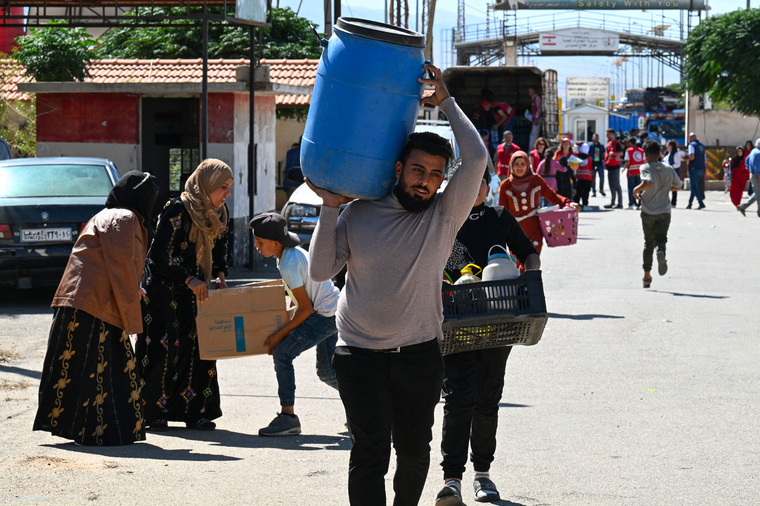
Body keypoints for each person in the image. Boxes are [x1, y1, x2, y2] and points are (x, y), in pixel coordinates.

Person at [307, 63, 488, 506]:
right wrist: (329, 207)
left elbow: (478, 158)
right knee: (369, 453)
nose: (425, 181)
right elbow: (318, 270)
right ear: (399, 168)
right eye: (418, 170)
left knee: (413, 453)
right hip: (358, 355)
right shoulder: (359, 212)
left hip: (419, 354)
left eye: (434, 175)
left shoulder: (444, 215)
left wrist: (444, 100)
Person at [33, 171, 160, 446]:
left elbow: (111, 263)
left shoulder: (113, 216)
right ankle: (102, 432)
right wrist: (134, 322)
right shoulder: (123, 218)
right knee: (100, 371)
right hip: (94, 306)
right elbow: (121, 265)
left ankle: (90, 430)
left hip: (88, 303)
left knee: (88, 369)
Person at [437, 169, 540, 505]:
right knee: (457, 400)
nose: (474, 188)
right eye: (466, 181)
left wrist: (531, 281)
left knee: (486, 400)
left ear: (487, 185)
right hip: (456, 322)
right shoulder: (441, 217)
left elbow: (528, 253)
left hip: (499, 324)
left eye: (480, 181)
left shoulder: (498, 217)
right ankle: (452, 479)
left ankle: (483, 474)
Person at [136, 159, 233, 432]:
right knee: (164, 352)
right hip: (165, 296)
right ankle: (153, 413)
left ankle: (197, 413)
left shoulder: (218, 213)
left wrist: (221, 274)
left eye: (229, 187)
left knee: (201, 352)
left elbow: (222, 245)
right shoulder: (178, 209)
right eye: (222, 187)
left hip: (198, 297)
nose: (226, 193)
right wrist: (187, 278)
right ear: (207, 185)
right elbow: (157, 255)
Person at [249, 212, 340, 437]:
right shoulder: (292, 254)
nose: (256, 246)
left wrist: (279, 334)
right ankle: (365, 409)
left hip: (324, 314)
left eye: (260, 242)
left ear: (276, 243)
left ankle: (288, 417)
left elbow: (306, 309)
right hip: (334, 310)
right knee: (327, 372)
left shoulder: (288, 264)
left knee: (282, 353)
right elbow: (298, 298)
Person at [499, 151, 579, 256]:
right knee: (516, 265)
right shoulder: (505, 185)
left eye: (523, 164)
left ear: (527, 165)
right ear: (511, 166)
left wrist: (568, 203)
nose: (519, 167)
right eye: (516, 164)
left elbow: (552, 196)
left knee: (532, 263)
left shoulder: (536, 180)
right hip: (515, 231)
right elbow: (502, 211)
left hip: (534, 229)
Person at [633, 141, 683, 288]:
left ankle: (647, 276)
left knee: (648, 243)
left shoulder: (645, 166)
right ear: (659, 153)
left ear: (646, 155)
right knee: (661, 239)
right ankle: (660, 251)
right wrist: (666, 188)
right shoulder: (668, 168)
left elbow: (647, 183)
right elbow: (678, 186)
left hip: (649, 211)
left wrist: (636, 190)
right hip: (664, 211)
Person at [738, 137, 760, 217]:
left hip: (752, 174)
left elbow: (746, 160)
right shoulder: (758, 153)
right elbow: (758, 168)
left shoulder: (753, 151)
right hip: (757, 175)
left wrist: (749, 169)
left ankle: (743, 206)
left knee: (757, 193)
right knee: (759, 194)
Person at [603, 128, 624, 209]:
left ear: (612, 134)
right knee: (611, 185)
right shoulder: (609, 143)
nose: (607, 136)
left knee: (616, 185)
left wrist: (614, 154)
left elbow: (621, 153)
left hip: (615, 167)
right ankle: (612, 202)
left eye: (608, 134)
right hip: (609, 166)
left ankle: (620, 203)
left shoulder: (616, 143)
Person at [623, 137, 645, 209]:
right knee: (640, 188)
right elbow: (644, 161)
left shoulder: (628, 151)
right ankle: (640, 204)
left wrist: (624, 168)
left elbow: (628, 161)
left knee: (631, 188)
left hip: (631, 172)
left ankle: (631, 204)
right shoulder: (641, 151)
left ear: (630, 143)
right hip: (639, 172)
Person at [686, 132, 706, 209]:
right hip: (701, 168)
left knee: (693, 187)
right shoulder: (702, 146)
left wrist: (685, 158)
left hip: (694, 168)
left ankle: (701, 202)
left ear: (691, 138)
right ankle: (689, 204)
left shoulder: (691, 145)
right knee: (695, 187)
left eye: (689, 137)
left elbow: (692, 157)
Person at [573, 142, 594, 210]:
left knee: (578, 192)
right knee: (586, 192)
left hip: (578, 178)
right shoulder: (590, 159)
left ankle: (576, 204)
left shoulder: (576, 157)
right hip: (588, 178)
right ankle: (585, 204)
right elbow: (592, 169)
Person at [729, 146, 749, 211]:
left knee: (740, 192)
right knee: (734, 191)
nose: (739, 153)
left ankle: (738, 204)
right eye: (738, 151)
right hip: (735, 177)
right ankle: (736, 203)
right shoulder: (733, 160)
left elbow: (747, 169)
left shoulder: (745, 160)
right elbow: (728, 167)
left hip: (742, 178)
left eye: (741, 151)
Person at [665, 140, 683, 208]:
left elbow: (678, 164)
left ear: (671, 146)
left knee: (674, 189)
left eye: (668, 145)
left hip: (674, 173)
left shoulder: (675, 154)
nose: (666, 147)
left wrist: (670, 166)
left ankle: (673, 203)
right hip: (668, 173)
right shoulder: (668, 154)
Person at [589, 133, 606, 198]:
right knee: (593, 179)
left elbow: (604, 155)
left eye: (597, 137)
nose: (596, 138)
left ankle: (601, 189)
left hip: (600, 164)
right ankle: (594, 192)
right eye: (594, 137)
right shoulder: (590, 146)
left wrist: (604, 163)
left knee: (602, 177)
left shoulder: (601, 146)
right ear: (592, 138)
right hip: (592, 165)